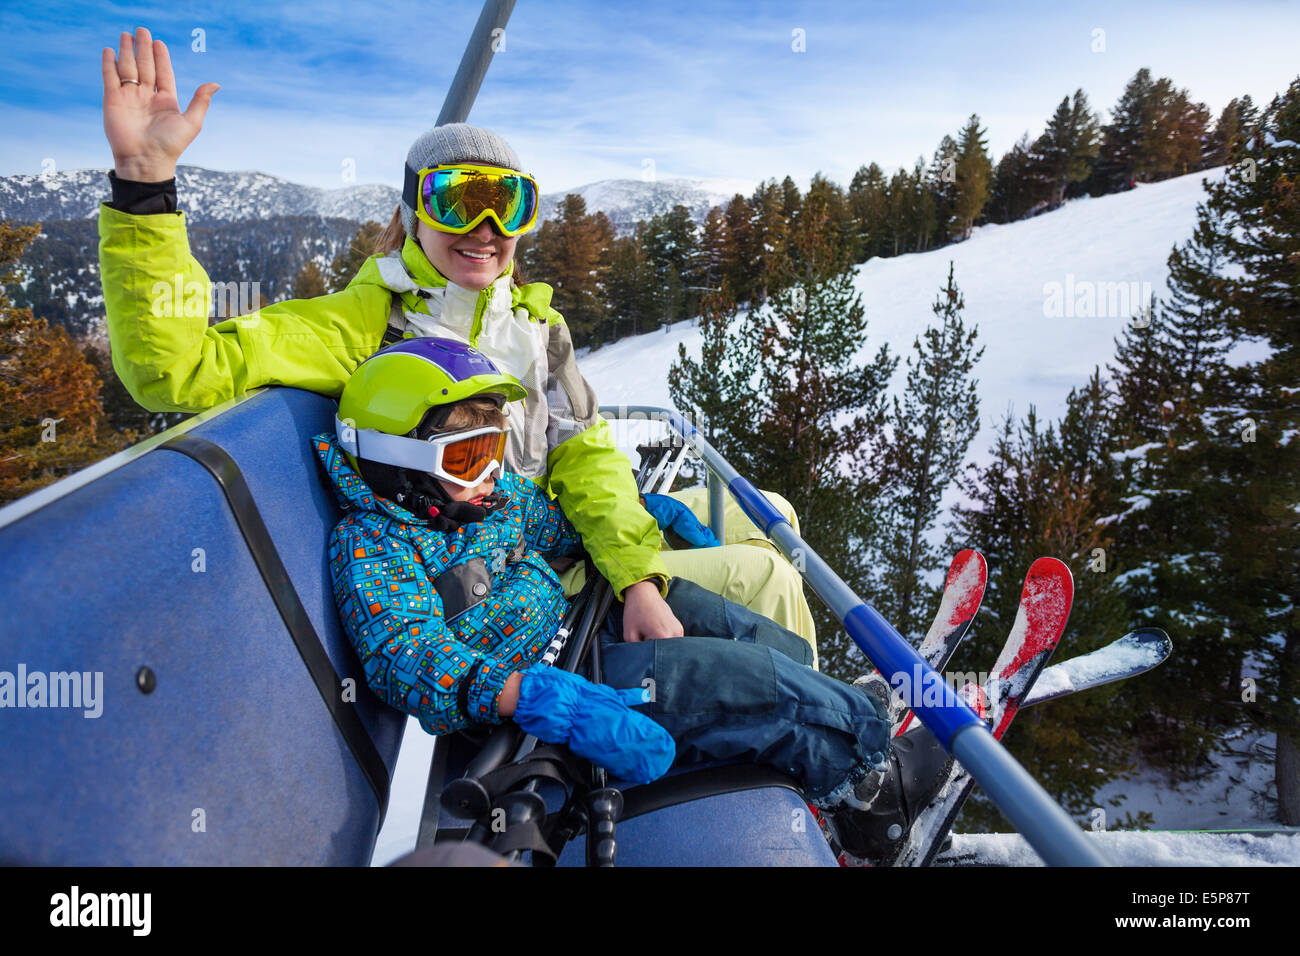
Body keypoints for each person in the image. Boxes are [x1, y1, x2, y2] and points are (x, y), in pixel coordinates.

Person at [98, 27, 818, 663]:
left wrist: (630, 561)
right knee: (771, 574)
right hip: (507, 579)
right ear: (413, 215)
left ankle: (762, 713)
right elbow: (178, 369)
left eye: (508, 204)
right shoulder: (365, 325)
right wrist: (145, 186)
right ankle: (821, 781)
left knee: (773, 511)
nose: (485, 227)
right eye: (456, 200)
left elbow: (582, 452)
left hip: (556, 531)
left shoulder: (536, 328)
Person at [315, 336, 952, 862]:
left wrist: (650, 519)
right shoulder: (374, 545)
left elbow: (557, 524)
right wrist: (527, 695)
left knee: (751, 634)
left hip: (589, 617)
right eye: (468, 457)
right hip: (561, 683)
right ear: (399, 462)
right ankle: (874, 794)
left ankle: (830, 721)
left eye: (495, 449)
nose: (490, 474)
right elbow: (406, 658)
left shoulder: (488, 500)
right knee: (741, 682)